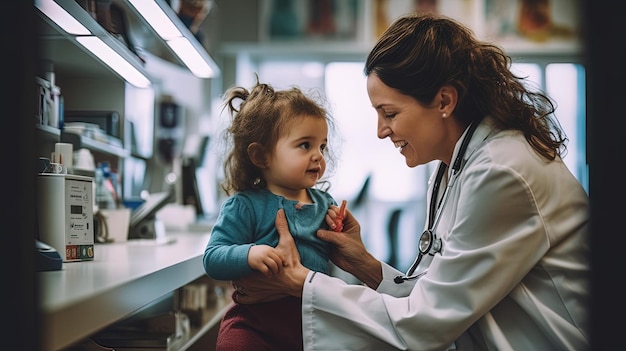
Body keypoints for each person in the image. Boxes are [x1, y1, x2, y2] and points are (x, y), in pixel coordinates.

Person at [231, 12, 590, 351]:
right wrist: (364, 265)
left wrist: (300, 281)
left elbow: (427, 321)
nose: (381, 130)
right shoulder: (457, 165)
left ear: (445, 100)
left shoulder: (502, 171)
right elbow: (436, 295)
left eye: (390, 113)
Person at [202, 78, 342, 350]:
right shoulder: (244, 205)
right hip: (254, 323)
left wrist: (339, 230)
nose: (318, 156)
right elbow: (213, 257)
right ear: (261, 156)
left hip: (311, 324)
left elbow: (333, 257)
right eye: (305, 145)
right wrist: (249, 254)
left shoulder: (326, 203)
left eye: (322, 147)